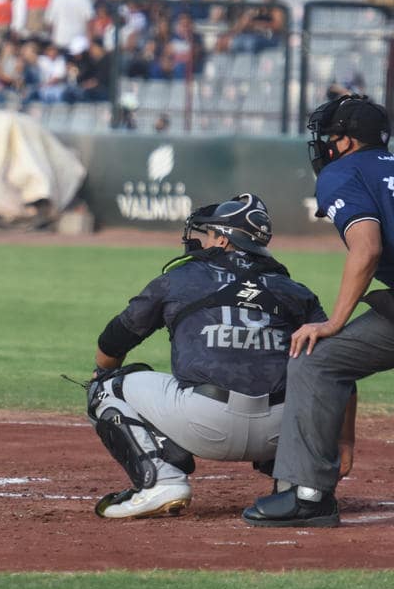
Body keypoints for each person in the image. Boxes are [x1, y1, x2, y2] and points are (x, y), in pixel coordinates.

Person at [87, 194, 328, 518]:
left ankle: (161, 480)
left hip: (203, 425)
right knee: (311, 384)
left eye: (210, 233)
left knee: (106, 386)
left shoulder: (181, 278)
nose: (204, 240)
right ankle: (294, 485)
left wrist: (101, 375)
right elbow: (332, 370)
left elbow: (114, 340)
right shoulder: (295, 290)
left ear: (224, 239)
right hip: (279, 433)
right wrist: (343, 443)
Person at [242, 94, 393, 528]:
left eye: (331, 138)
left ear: (345, 142)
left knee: (317, 359)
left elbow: (366, 249)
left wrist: (335, 321)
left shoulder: (343, 172)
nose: (326, 146)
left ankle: (307, 494)